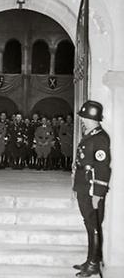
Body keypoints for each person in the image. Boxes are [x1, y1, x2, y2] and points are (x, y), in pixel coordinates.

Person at [72, 100, 111, 277]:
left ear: (93, 118)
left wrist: (97, 193)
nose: (82, 120)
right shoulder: (90, 134)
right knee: (89, 224)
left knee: (93, 225)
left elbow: (103, 168)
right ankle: (89, 260)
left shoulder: (100, 138)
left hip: (91, 189)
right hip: (83, 185)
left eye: (85, 117)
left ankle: (94, 264)